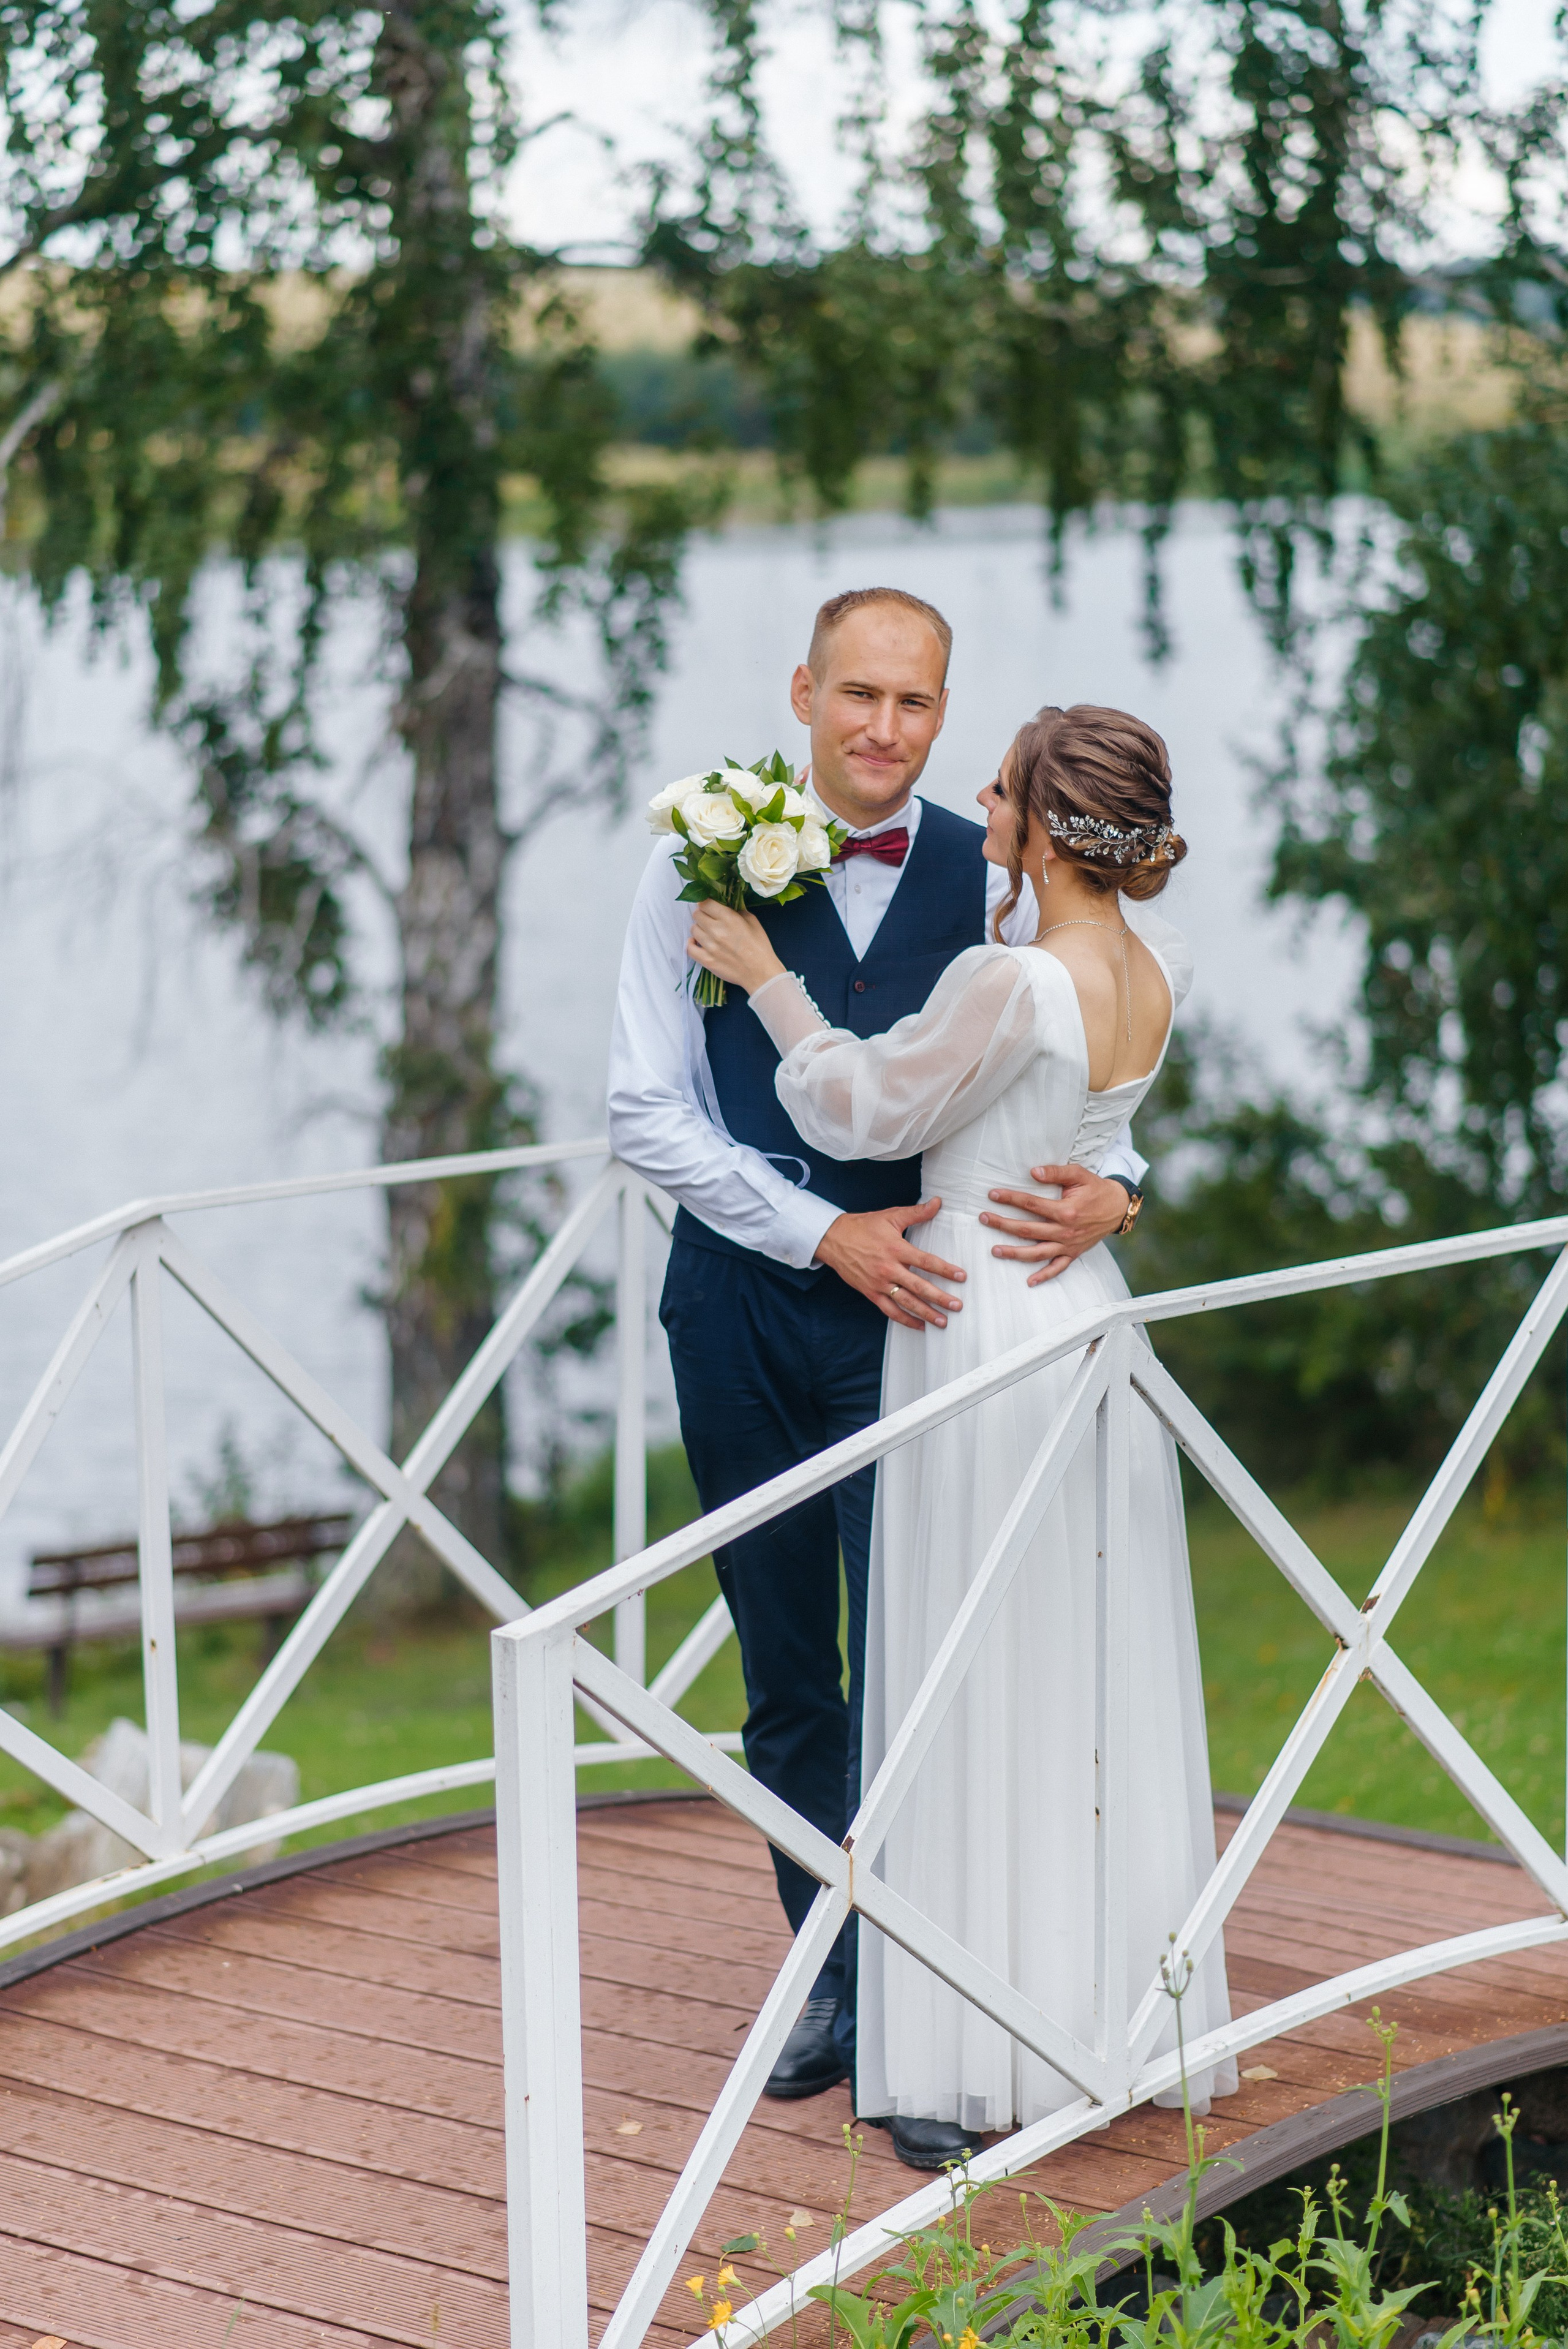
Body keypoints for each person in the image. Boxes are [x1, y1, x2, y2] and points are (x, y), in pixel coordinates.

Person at [607, 592, 1147, 2143]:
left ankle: (933, 2012)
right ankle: (828, 1972)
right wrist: (810, 1236)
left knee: (925, 1663)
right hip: (737, 1311)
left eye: (915, 704)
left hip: (932, 1328)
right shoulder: (688, 867)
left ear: (941, 711)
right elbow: (642, 1110)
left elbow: (1072, 1067)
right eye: (857, 694)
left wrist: (1125, 1187)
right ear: (801, 691)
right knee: (788, 1672)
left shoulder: (1000, 881)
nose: (883, 729)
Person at [686, 702, 1237, 2167]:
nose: (977, 802)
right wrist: (1120, 1192)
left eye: (998, 787)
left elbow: (863, 1109)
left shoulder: (1010, 976)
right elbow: (1105, 1142)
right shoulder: (1150, 973)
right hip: (1087, 1327)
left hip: (980, 1324)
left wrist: (770, 985)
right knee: (1073, 1678)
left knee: (961, 1675)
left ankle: (970, 2051)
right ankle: (1108, 2008)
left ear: (1046, 825)